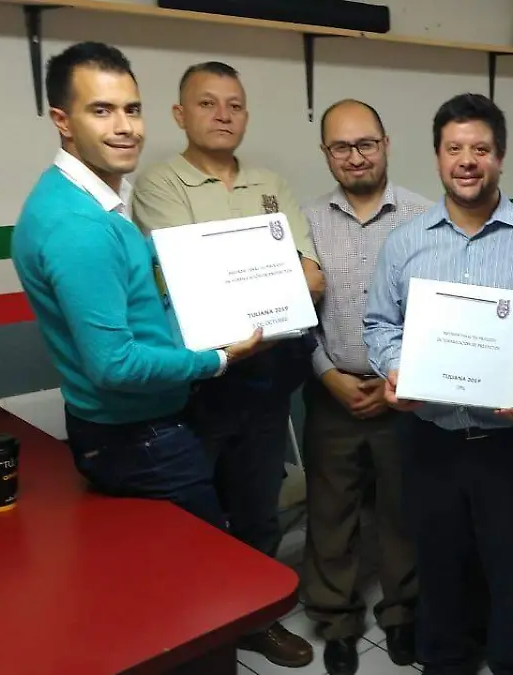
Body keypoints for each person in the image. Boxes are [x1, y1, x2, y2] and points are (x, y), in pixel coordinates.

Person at [364, 93, 513, 675]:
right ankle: (444, 663)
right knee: (438, 569)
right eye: (454, 148)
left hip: (509, 442)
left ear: (500, 157)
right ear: (437, 156)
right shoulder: (405, 242)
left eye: (480, 149)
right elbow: (380, 324)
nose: (467, 161)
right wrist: (395, 368)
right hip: (429, 438)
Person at [11, 42, 263, 529]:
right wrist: (219, 359)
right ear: (63, 121)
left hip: (134, 427)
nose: (125, 126)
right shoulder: (78, 225)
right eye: (101, 111)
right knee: (209, 565)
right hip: (138, 437)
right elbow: (115, 365)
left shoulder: (92, 198)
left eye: (132, 109)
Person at [130, 61, 320, 668]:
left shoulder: (271, 183)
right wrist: (267, 280)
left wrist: (245, 282)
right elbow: (191, 283)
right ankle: (202, 632)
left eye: (234, 105)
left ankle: (256, 621)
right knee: (199, 515)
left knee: (260, 507)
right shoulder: (160, 185)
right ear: (180, 114)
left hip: (267, 382)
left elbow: (312, 276)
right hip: (202, 382)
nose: (223, 115)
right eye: (207, 103)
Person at [300, 98, 432, 675]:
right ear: (326, 152)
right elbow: (296, 314)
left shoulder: (425, 218)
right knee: (332, 513)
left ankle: (402, 613)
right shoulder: (304, 221)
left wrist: (398, 379)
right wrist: (326, 374)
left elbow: (434, 315)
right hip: (331, 390)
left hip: (403, 394)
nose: (355, 157)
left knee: (404, 510)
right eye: (341, 147)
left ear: (386, 145)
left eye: (366, 144)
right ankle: (337, 621)